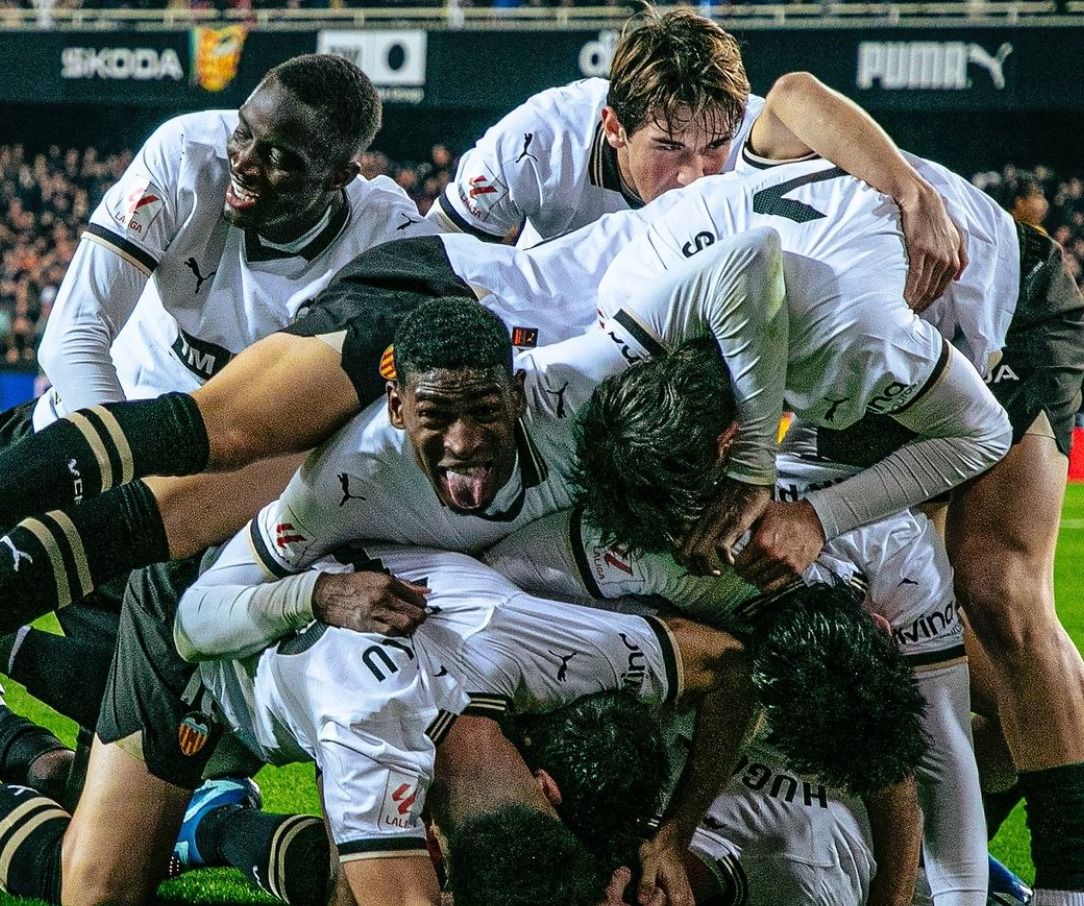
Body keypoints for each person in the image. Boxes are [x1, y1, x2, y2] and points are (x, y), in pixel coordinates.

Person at [0, 52, 438, 797]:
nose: (246, 162)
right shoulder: (185, 152)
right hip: (85, 445)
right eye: (245, 135)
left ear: (341, 177)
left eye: (281, 157)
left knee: (146, 774)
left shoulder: (387, 234)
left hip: (206, 521)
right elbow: (73, 335)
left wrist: (172, 509)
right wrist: (129, 482)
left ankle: (34, 725)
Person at [429, 8, 963, 315]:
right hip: (550, 319)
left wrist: (914, 194)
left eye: (713, 149)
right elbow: (430, 250)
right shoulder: (537, 142)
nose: (694, 177)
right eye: (668, 148)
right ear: (613, 127)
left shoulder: (750, 130)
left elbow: (802, 96)